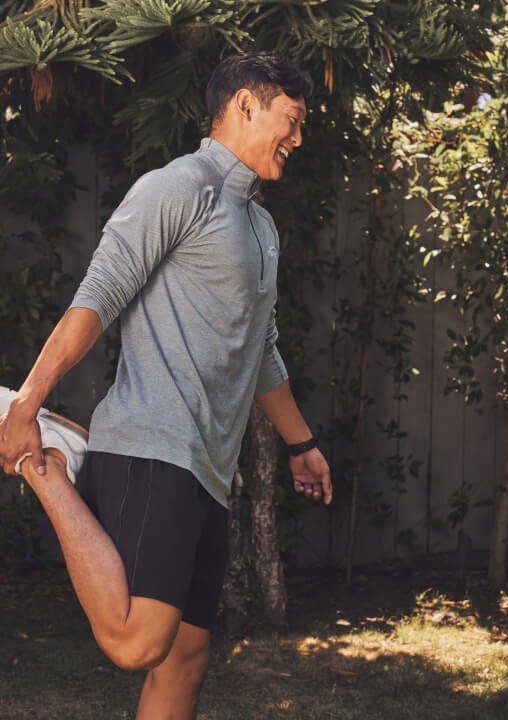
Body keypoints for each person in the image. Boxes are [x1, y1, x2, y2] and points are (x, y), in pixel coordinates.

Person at [0, 52, 332, 720]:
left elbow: (260, 350)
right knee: (137, 643)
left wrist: (302, 443)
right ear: (245, 104)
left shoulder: (259, 225)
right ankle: (52, 468)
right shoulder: (178, 188)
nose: (297, 138)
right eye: (290, 120)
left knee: (185, 661)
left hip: (206, 470)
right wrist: (28, 405)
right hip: (154, 448)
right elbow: (98, 296)